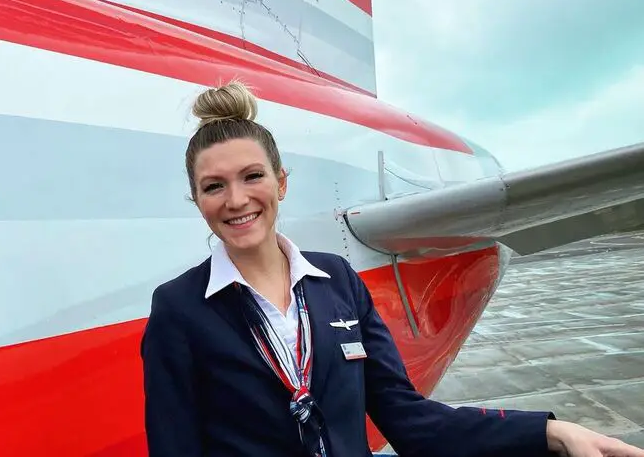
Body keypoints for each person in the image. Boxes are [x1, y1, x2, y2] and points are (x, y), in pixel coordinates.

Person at [141, 81, 644, 457]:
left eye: (252, 176)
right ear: (197, 199)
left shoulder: (336, 280)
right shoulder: (179, 308)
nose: (236, 200)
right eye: (214, 186)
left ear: (282, 182)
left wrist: (549, 432)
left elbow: (408, 419)